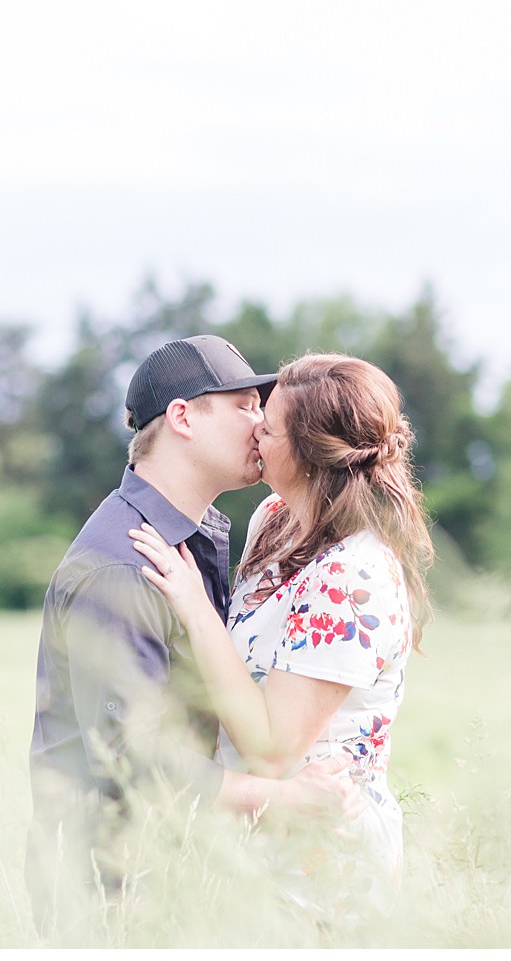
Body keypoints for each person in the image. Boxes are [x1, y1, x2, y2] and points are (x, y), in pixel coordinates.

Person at [26, 335, 363, 940]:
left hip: (168, 879)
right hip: (112, 896)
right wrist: (287, 800)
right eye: (242, 405)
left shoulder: (195, 535)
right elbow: (132, 766)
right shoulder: (123, 568)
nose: (260, 421)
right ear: (183, 416)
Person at [128, 352, 434, 911]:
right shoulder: (275, 520)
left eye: (266, 427)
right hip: (246, 846)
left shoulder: (352, 577)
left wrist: (195, 606)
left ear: (309, 452)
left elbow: (270, 748)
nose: (254, 433)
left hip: (320, 863)